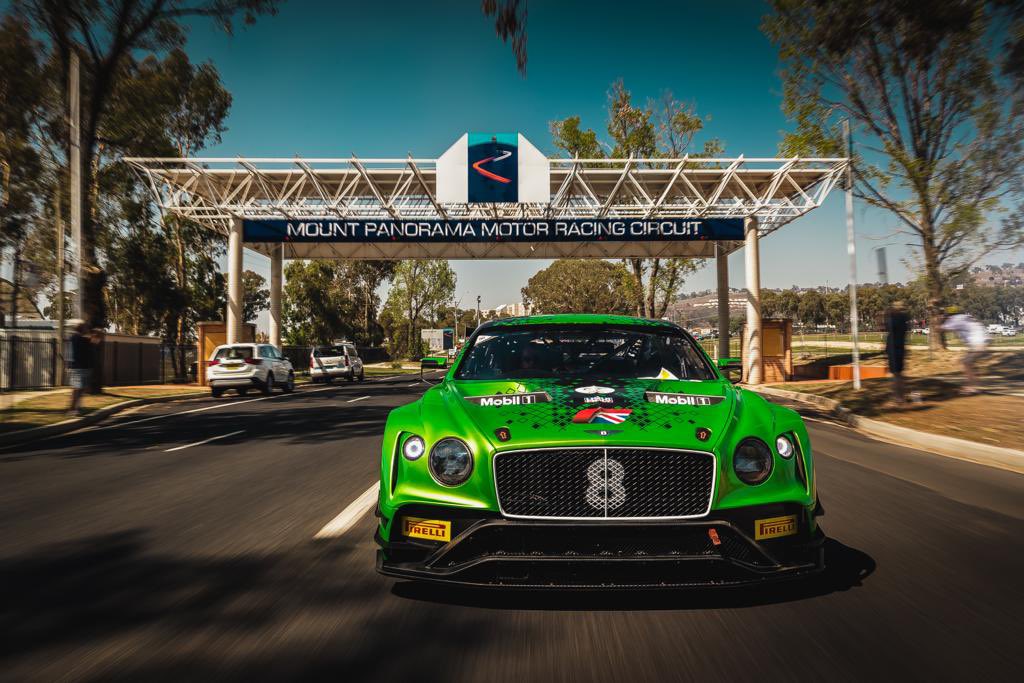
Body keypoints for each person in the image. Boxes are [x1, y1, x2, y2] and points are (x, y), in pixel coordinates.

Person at [940, 306, 988, 395]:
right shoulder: (963, 317)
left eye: (947, 315)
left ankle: (971, 388)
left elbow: (941, 329)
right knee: (969, 362)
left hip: (978, 341)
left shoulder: (954, 319)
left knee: (966, 362)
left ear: (949, 315)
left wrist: (939, 319)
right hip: (982, 339)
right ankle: (975, 386)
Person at [67, 322, 98, 415]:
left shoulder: (74, 338)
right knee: (77, 389)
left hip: (79, 367)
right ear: (82, 329)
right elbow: (96, 341)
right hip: (81, 367)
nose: (86, 330)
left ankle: (77, 408)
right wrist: (92, 333)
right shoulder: (81, 339)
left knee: (79, 389)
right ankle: (73, 409)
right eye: (85, 328)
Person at [884, 300, 910, 404]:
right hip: (901, 348)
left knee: (895, 375)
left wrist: (887, 314)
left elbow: (887, 327)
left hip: (893, 349)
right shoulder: (904, 319)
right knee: (899, 374)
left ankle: (897, 398)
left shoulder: (894, 320)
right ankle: (901, 397)